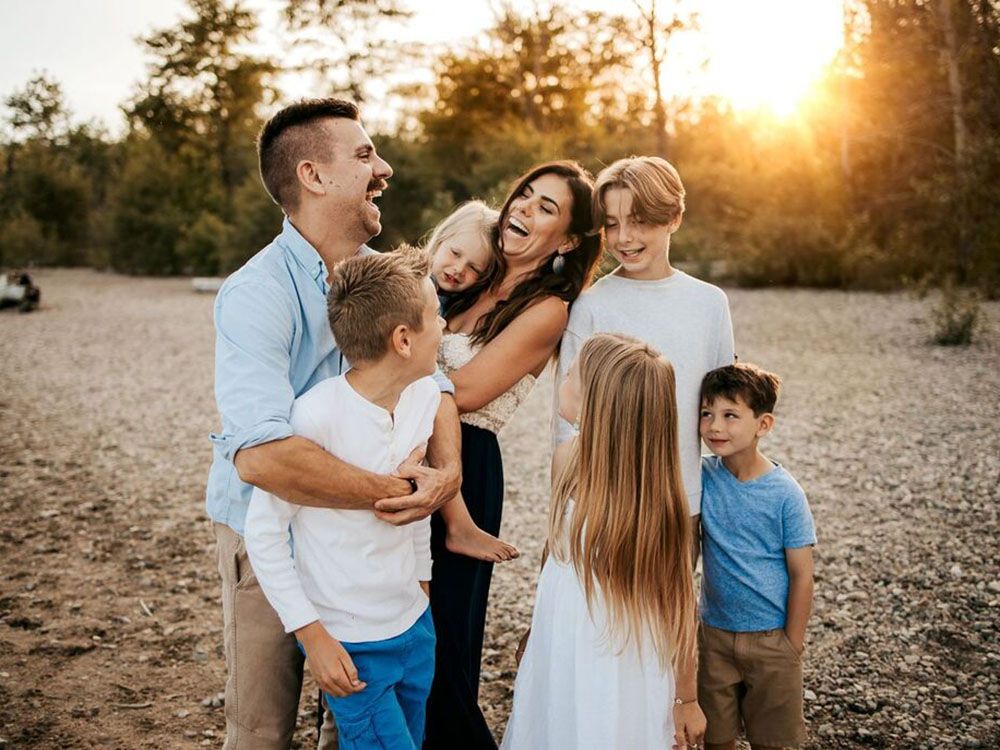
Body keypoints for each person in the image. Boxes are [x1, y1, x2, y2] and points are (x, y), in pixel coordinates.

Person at [206, 97, 461, 749]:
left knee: (354, 731)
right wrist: (399, 493)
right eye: (366, 154)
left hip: (365, 559)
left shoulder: (379, 280)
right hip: (273, 542)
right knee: (264, 730)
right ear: (314, 176)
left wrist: (447, 475)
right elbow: (262, 459)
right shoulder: (257, 292)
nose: (388, 169)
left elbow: (435, 382)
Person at [422, 161, 602, 749]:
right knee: (385, 622)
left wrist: (390, 363)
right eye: (524, 195)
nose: (523, 208)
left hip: (467, 462)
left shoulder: (547, 307)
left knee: (444, 648)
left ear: (569, 240)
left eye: (546, 207)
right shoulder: (470, 271)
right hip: (400, 447)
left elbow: (468, 390)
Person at [245, 248, 443, 749]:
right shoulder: (314, 418)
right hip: (351, 645)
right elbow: (264, 532)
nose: (444, 327)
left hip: (415, 628)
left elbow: (417, 503)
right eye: (436, 316)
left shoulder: (422, 396)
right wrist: (312, 636)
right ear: (403, 340)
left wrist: (422, 588)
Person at [502, 333, 703, 750]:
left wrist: (686, 697)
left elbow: (679, 602)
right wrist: (535, 633)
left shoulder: (655, 499)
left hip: (623, 655)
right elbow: (555, 548)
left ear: (599, 402)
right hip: (564, 639)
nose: (564, 377)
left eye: (573, 373)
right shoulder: (567, 457)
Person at [697, 363, 816, 750]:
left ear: (763, 425)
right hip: (714, 635)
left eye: (731, 415)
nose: (715, 426)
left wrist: (791, 644)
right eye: (706, 413)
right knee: (715, 739)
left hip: (771, 639)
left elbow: (802, 574)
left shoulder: (785, 494)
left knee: (773, 741)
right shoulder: (701, 477)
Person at [423, 202, 518, 563]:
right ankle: (459, 524)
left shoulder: (457, 302)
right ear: (440, 239)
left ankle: (458, 524)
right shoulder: (414, 283)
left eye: (474, 268)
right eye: (455, 253)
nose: (458, 269)